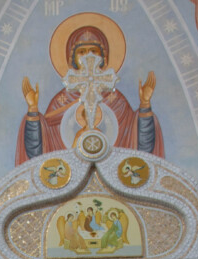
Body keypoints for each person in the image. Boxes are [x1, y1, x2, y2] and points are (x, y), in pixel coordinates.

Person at [16, 24, 163, 164]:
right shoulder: (61, 101)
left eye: (94, 50)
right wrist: (33, 110)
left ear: (103, 57)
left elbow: (140, 147)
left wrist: (145, 104)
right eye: (81, 51)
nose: (88, 56)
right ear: (72, 58)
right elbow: (39, 153)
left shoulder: (116, 100)